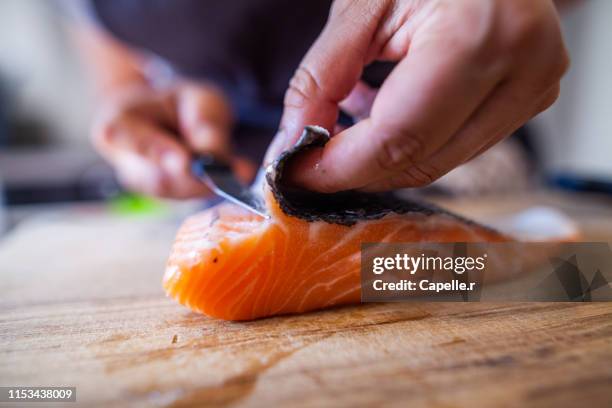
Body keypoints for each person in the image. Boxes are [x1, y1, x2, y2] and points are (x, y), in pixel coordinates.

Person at [69, 0, 569, 199]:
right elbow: (115, 57)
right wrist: (137, 105)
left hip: (457, 159)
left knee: (506, 282)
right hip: (228, 192)